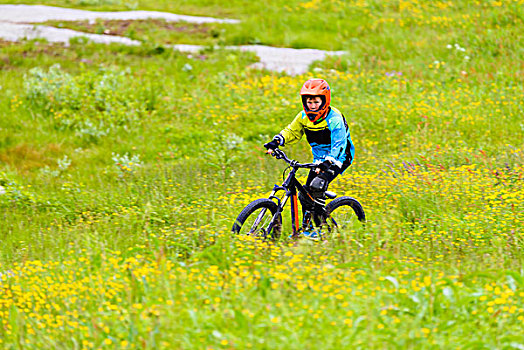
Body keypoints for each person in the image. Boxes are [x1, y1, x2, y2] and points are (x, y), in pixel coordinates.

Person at [264, 78, 355, 240]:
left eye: (316, 102)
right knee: (304, 194)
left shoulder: (334, 119)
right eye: (308, 101)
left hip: (340, 156)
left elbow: (339, 144)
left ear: (324, 101)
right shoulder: (303, 117)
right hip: (319, 159)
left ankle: (319, 228)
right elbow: (291, 132)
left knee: (317, 185)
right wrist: (276, 141)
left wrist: (329, 162)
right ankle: (307, 226)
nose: (312, 105)